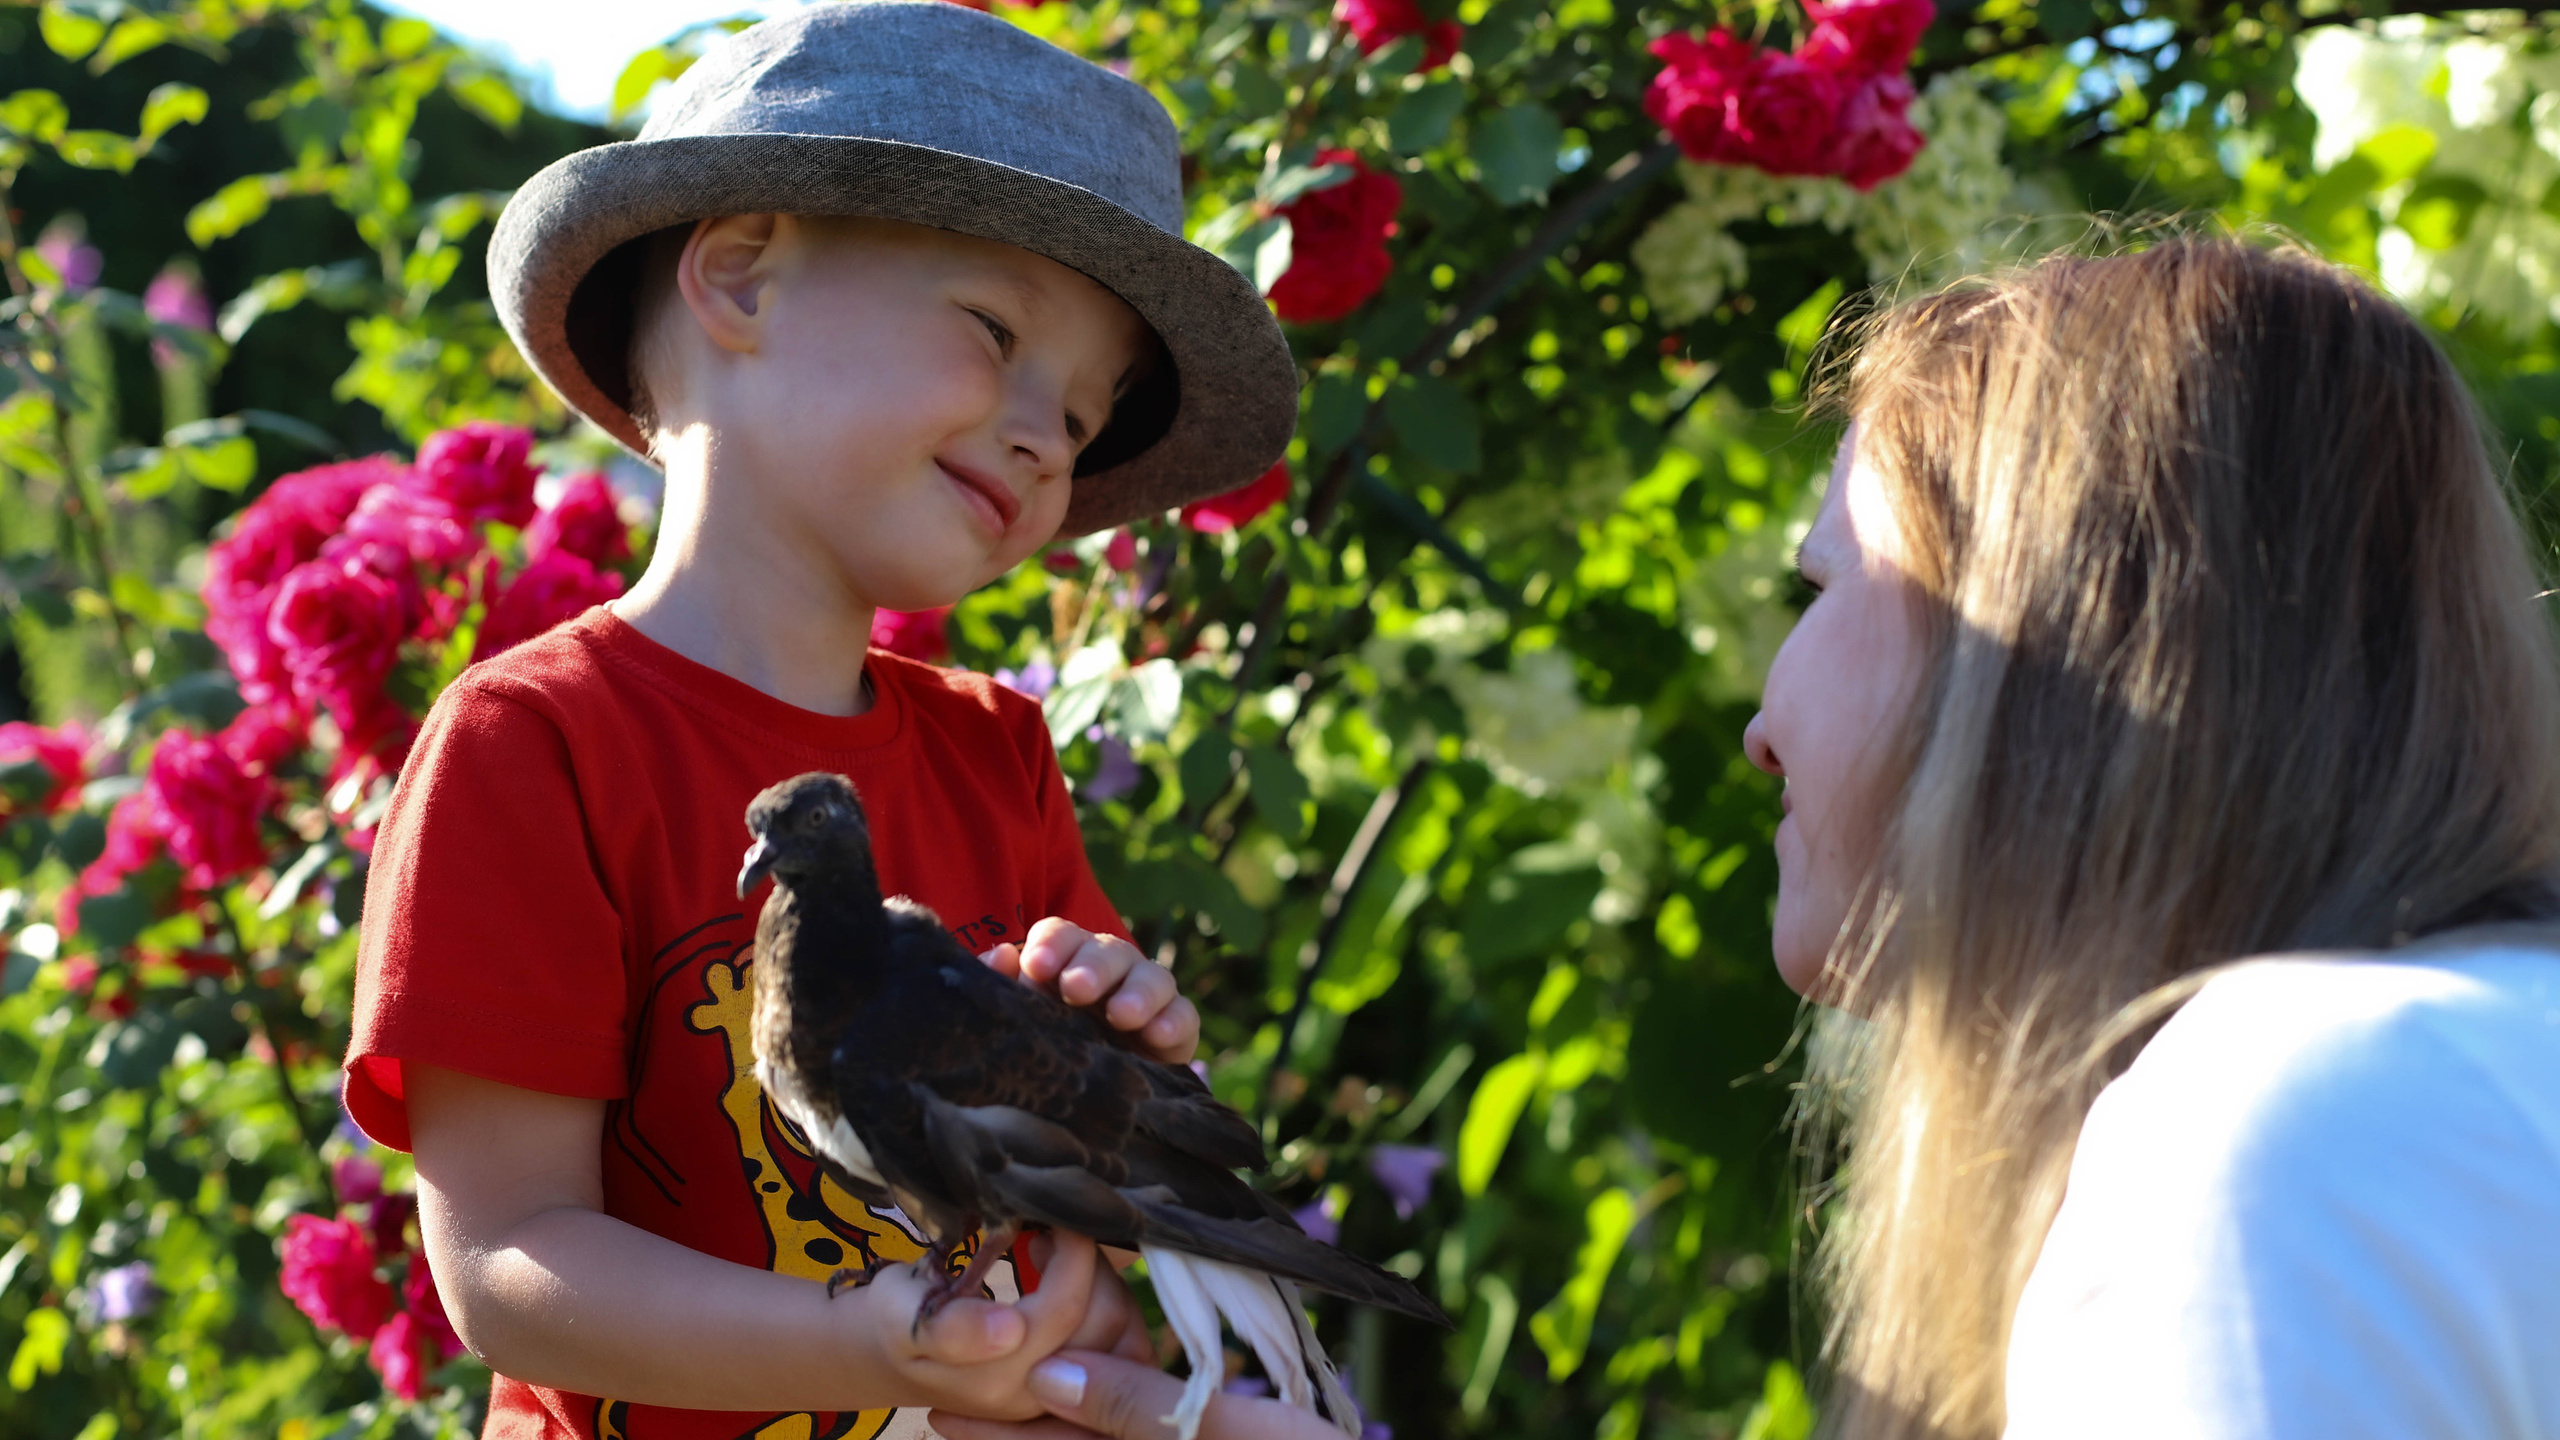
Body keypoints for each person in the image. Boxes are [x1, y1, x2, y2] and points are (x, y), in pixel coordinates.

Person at [953, 238, 2560, 1440]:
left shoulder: (2286, 1138)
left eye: (1823, 584)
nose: (1760, 718)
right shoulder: (2445, 1069)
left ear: (2041, 640)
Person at [341, 5, 1299, 1439]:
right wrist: (869, 1348)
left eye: (1089, 425)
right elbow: (504, 1261)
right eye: (993, 331)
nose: (1048, 439)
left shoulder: (999, 756)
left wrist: (1127, 1029)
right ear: (739, 276)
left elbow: (1071, 1199)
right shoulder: (534, 746)